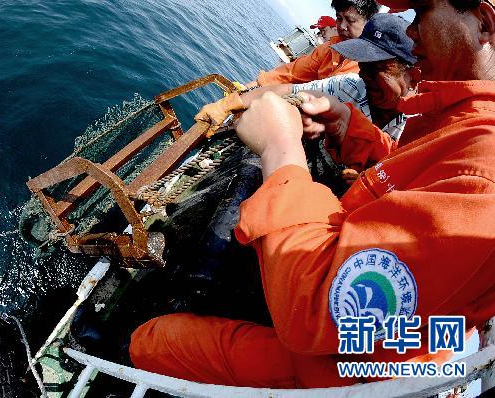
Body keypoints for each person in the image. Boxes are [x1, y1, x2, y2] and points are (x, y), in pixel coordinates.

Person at [129, 0, 495, 389]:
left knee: (151, 342)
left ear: (484, 24)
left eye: (422, 12)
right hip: (363, 334)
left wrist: (279, 149)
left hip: (345, 368)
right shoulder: (462, 123)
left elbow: (317, 306)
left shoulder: (485, 173)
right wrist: (350, 127)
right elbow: (416, 180)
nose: (411, 32)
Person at [196, 13, 418, 191]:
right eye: (362, 65)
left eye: (376, 69)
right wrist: (229, 103)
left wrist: (375, 182)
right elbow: (289, 88)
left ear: (413, 76)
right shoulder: (350, 85)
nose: (364, 76)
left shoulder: (422, 128)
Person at [247, 0, 380, 87]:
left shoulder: (375, 67)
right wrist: (253, 85)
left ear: (369, 23)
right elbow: (292, 72)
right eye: (339, 18)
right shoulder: (328, 49)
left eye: (350, 21)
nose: (342, 26)